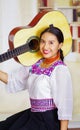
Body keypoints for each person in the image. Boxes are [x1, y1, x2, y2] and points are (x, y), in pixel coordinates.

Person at [0, 24, 73, 130]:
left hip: (47, 121)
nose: (45, 47)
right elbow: (12, 80)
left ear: (60, 45)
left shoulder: (60, 70)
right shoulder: (36, 64)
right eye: (43, 41)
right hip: (33, 114)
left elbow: (64, 105)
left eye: (51, 43)